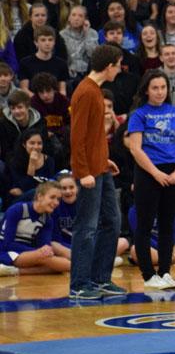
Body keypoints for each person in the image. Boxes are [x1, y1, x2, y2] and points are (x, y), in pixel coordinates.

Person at [68, 45, 127, 299]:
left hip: (100, 168)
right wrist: (83, 172)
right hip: (89, 173)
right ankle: (80, 284)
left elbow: (94, 136)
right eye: (118, 64)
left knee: (112, 223)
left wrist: (104, 160)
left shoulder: (96, 91)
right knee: (87, 227)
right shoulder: (86, 92)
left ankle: (101, 278)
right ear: (108, 66)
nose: (120, 69)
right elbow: (77, 137)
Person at [127, 70, 175, 290]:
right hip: (147, 173)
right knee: (144, 226)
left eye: (163, 87)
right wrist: (156, 173)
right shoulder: (139, 114)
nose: (160, 92)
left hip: (172, 173)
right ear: (146, 89)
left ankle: (165, 272)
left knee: (167, 225)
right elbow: (135, 149)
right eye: (155, 88)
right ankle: (148, 275)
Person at [0, 180, 69, 274]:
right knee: (54, 263)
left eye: (58, 199)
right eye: (52, 197)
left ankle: (14, 271)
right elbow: (7, 244)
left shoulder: (47, 220)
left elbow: (45, 245)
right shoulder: (17, 209)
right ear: (40, 196)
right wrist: (38, 252)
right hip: (5, 252)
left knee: (61, 267)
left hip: (29, 254)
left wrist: (43, 250)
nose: (56, 202)